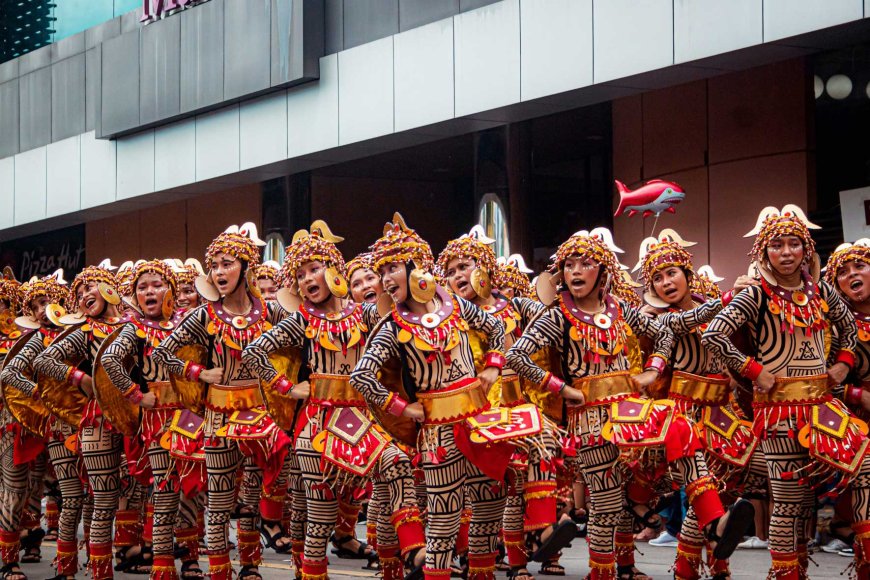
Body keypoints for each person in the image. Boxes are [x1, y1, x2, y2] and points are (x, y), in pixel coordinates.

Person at [506, 228, 750, 580]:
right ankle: (604, 571)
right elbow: (518, 356)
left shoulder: (619, 309)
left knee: (679, 426)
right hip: (590, 418)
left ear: (602, 272)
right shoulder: (557, 316)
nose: (575, 271)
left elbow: (664, 333)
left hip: (631, 410)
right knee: (606, 506)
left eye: (585, 263)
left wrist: (653, 371)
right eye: (569, 265)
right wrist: (561, 388)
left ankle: (714, 522)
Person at [244, 221, 427, 580]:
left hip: (363, 422)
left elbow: (398, 311)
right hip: (317, 428)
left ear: (333, 270)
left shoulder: (365, 314)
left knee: (397, 464)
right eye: (300, 274)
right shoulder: (300, 320)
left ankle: (413, 551)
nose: (308, 279)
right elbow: (255, 352)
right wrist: (287, 387)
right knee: (321, 516)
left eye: (314, 269)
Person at [702, 205, 870, 580]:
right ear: (765, 252)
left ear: (806, 249)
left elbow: (849, 329)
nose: (788, 252)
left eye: (795, 243)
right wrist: (753, 370)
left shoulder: (822, 289)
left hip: (823, 405)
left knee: (865, 467)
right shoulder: (756, 294)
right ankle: (787, 574)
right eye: (778, 245)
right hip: (778, 412)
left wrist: (842, 363)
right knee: (792, 504)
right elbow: (713, 334)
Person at [350, 213, 509, 580]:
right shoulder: (393, 326)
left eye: (393, 268)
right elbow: (362, 375)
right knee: (443, 525)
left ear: (418, 265)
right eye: (382, 270)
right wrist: (405, 408)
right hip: (437, 433)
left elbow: (496, 327)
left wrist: (492, 367)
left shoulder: (455, 303)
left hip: (479, 422)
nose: (386, 279)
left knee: (487, 512)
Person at [152, 224, 290, 580]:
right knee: (217, 501)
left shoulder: (271, 312)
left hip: (260, 416)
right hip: (217, 417)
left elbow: (297, 347)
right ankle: (218, 572)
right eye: (213, 266)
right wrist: (199, 372)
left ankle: (249, 566)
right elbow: (164, 353)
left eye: (226, 264)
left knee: (250, 499)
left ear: (246, 266)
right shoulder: (204, 315)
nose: (218, 272)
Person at [438, 227, 575, 580]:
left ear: (483, 267)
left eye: (464, 266)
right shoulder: (447, 316)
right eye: (450, 271)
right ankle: (485, 559)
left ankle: (539, 533)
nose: (457, 276)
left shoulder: (515, 305)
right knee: (488, 499)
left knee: (540, 444)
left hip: (517, 409)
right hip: (474, 413)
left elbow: (552, 317)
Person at [636, 231, 766, 580]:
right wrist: (733, 297)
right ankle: (712, 565)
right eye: (658, 278)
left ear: (688, 274)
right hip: (684, 414)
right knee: (704, 487)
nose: (666, 283)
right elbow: (684, 323)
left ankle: (692, 567)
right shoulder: (656, 316)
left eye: (671, 273)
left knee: (721, 490)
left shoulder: (714, 306)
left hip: (724, 411)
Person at [98, 260, 205, 580]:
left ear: (170, 291)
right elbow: (109, 358)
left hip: (190, 415)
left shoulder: (186, 323)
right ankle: (162, 563)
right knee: (166, 488)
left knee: (192, 490)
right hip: (157, 419)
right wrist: (134, 394)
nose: (149, 291)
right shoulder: (135, 327)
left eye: (156, 284)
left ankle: (189, 559)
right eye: (142, 287)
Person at [33, 263, 132, 579]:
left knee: (121, 494)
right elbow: (43, 360)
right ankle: (81, 571)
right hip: (96, 421)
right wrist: (79, 377)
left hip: (132, 419)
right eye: (79, 291)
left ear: (109, 289)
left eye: (92, 286)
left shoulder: (131, 325)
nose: (86, 294)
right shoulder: (83, 330)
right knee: (100, 498)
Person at [0, 273, 68, 580]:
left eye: (51, 302)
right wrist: (36, 393)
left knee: (35, 486)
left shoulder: (65, 337)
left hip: (48, 425)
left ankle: (30, 538)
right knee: (13, 490)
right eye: (39, 303)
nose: (45, 310)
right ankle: (7, 559)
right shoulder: (21, 341)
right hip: (11, 423)